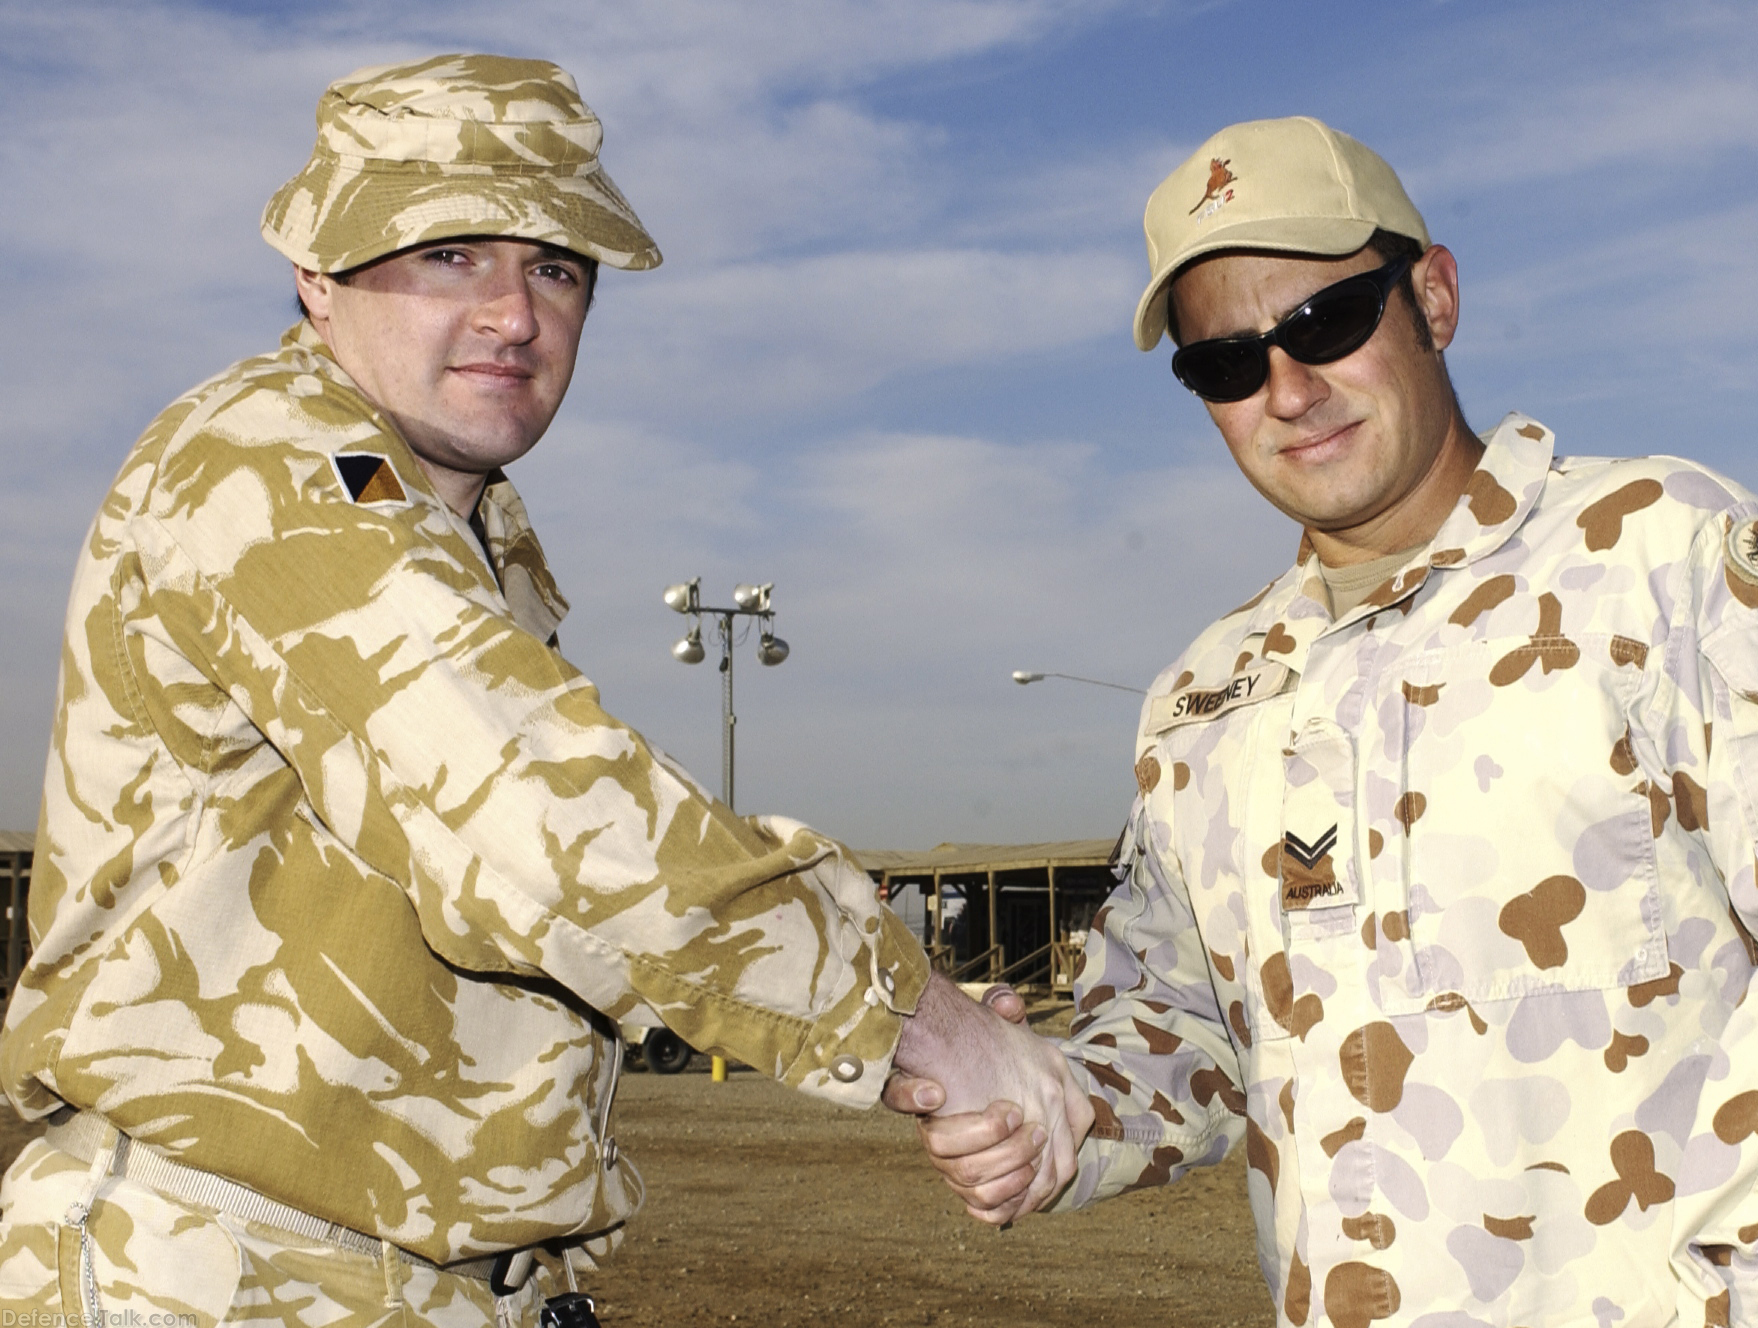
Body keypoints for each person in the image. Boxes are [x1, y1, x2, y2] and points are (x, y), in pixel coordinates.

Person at [0, 54, 1084, 1326]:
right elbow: (528, 808)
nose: (517, 313)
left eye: (557, 267)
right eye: (452, 251)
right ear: (316, 271)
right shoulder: (269, 460)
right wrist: (918, 1021)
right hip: (224, 1270)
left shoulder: (476, 538)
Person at [889, 116, 1758, 1328]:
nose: (1286, 389)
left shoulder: (1666, 559)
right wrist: (1054, 1110)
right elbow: (1184, 1028)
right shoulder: (1206, 699)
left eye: (1323, 324)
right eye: (1226, 364)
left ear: (1431, 297)